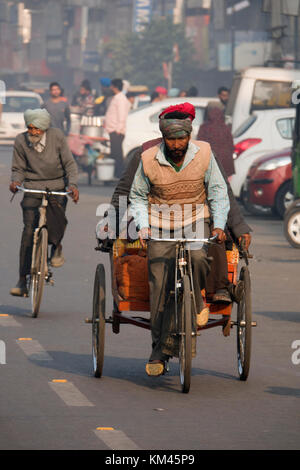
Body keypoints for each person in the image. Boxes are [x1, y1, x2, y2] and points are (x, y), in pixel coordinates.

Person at [128, 103, 231, 376]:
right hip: (161, 225)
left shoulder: (205, 153)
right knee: (159, 287)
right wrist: (143, 226)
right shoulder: (148, 158)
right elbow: (137, 196)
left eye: (181, 138)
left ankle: (197, 300)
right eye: (171, 139)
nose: (176, 144)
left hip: (196, 219)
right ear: (163, 138)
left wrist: (219, 225)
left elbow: (219, 191)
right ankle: (158, 351)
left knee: (198, 256)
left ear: (189, 136)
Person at [9, 108, 79, 297]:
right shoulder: (21, 141)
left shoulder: (57, 137)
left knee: (57, 221)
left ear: (44, 128)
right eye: (30, 128)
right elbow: (18, 168)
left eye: (36, 129)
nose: (32, 133)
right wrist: (16, 181)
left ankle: (56, 248)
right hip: (32, 186)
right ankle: (22, 279)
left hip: (56, 186)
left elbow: (69, 163)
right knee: (28, 231)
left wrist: (72, 185)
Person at [197, 103, 235, 179]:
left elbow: (199, 146)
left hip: (210, 163)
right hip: (225, 164)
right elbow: (231, 146)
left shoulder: (204, 128)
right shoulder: (225, 128)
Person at [104, 78, 131, 178]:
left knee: (117, 154)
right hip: (113, 130)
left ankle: (120, 174)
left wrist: (118, 130)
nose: (110, 88)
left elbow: (122, 116)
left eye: (111, 86)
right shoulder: (116, 98)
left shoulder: (121, 99)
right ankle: (116, 173)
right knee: (114, 153)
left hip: (117, 131)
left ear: (114, 87)